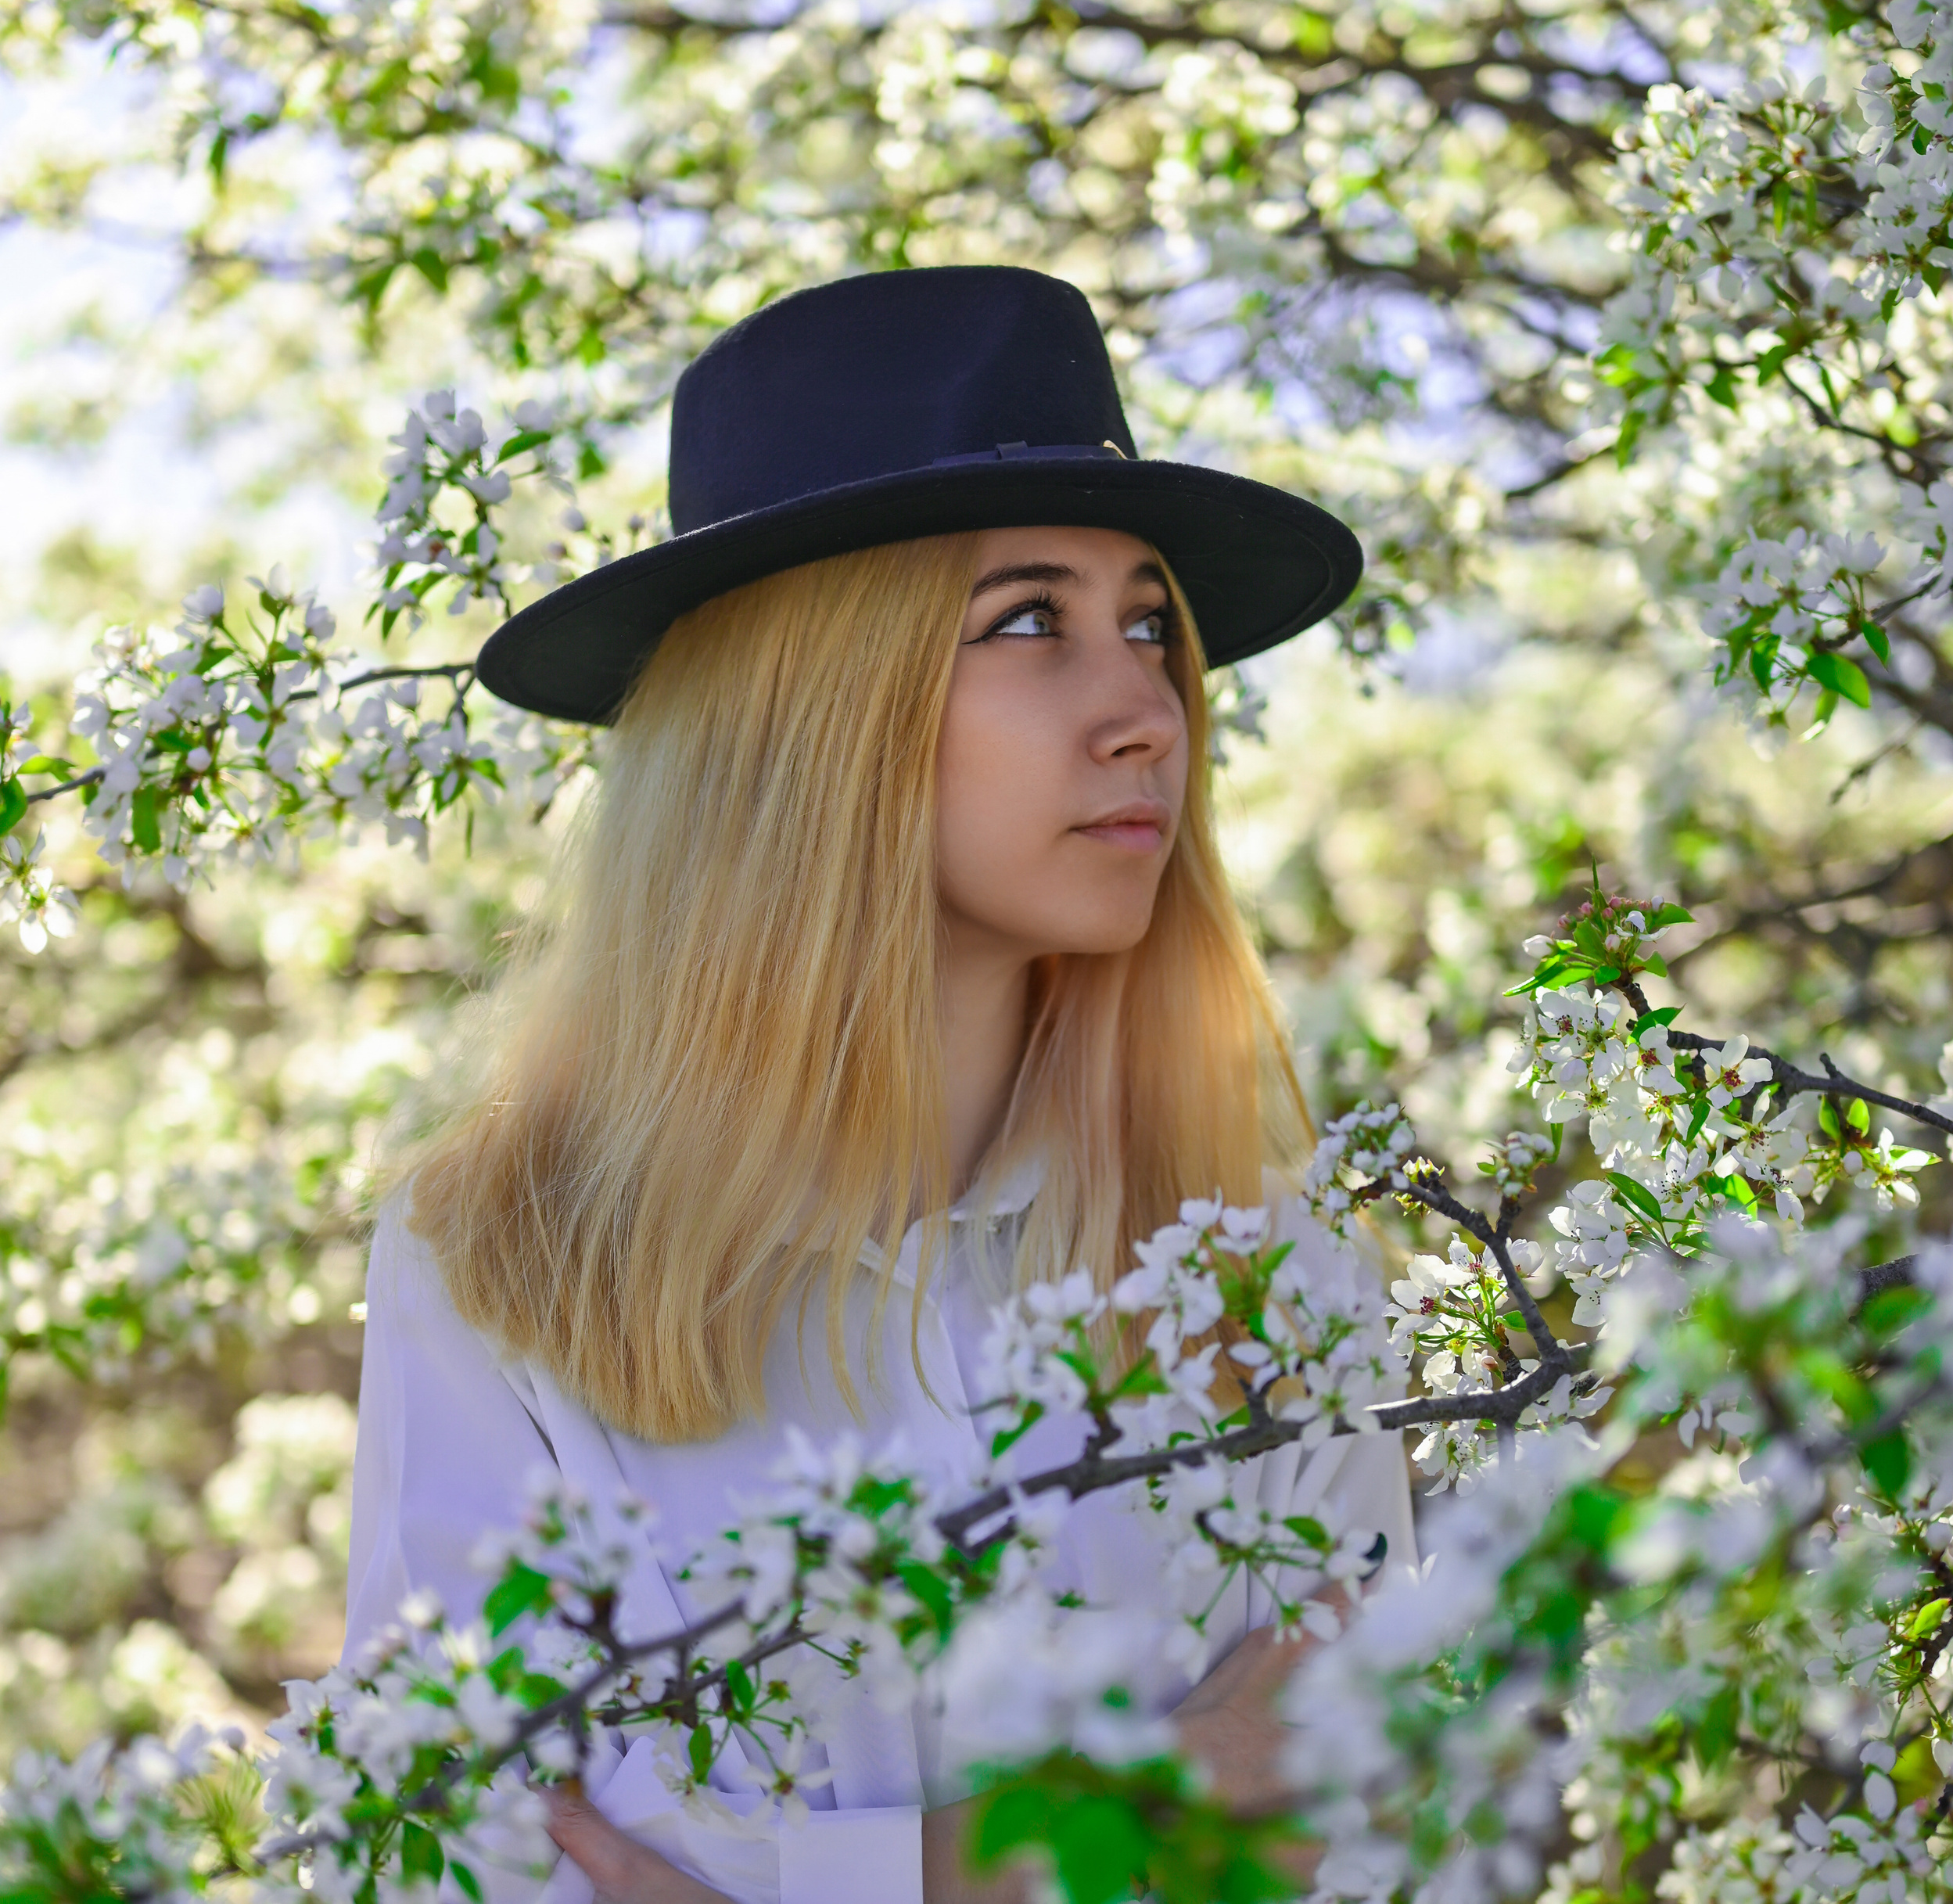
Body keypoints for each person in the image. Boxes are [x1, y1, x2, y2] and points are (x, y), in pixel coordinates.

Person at [343, 265, 1416, 1904]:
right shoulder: (501, 1256)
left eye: (1147, 622)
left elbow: (1367, 1839)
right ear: (805, 713)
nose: (1144, 707)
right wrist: (1073, 1829)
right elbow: (447, 1861)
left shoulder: (1268, 1265)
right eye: (1026, 622)